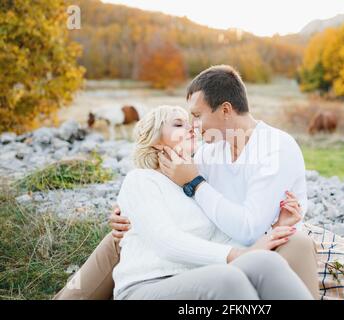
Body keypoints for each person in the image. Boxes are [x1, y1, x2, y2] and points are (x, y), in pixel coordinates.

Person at [54, 65, 319, 300]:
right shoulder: (200, 157)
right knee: (116, 239)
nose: (194, 126)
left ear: (225, 110)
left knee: (265, 263)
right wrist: (124, 210)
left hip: (220, 254)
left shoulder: (271, 148)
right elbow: (168, 230)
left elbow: (224, 226)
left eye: (196, 116)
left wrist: (272, 228)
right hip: (161, 274)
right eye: (183, 122)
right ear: (157, 141)